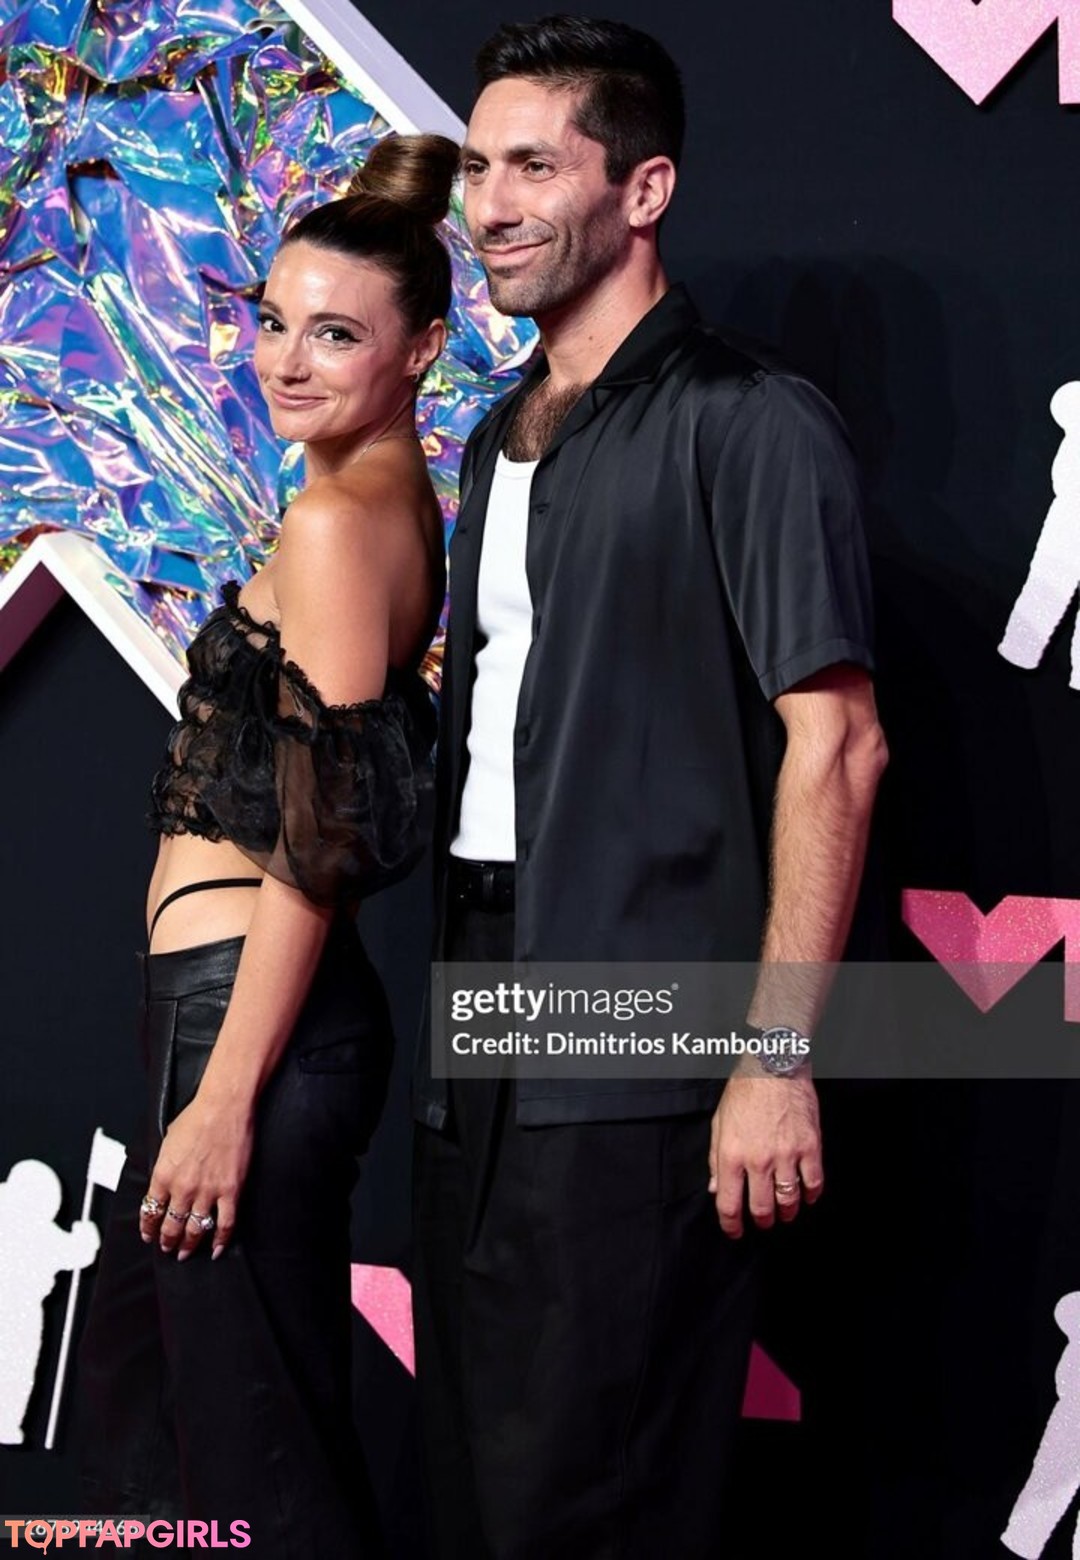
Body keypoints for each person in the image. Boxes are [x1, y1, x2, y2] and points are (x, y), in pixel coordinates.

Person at [411, 16, 888, 1560]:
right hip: (483, 981)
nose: (491, 205)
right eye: (477, 168)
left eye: (534, 167)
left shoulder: (752, 421)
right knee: (485, 1474)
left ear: (645, 189)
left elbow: (839, 746)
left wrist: (775, 1056)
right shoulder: (496, 438)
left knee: (594, 1490)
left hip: (641, 1016)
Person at [77, 132, 457, 1557]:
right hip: (243, 1017)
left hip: (255, 1033)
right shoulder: (369, 500)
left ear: (422, 351)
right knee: (192, 1436)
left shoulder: (339, 525)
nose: (288, 362)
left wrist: (224, 1099)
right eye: (275, 321)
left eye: (336, 334)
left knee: (259, 1461)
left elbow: (322, 840)